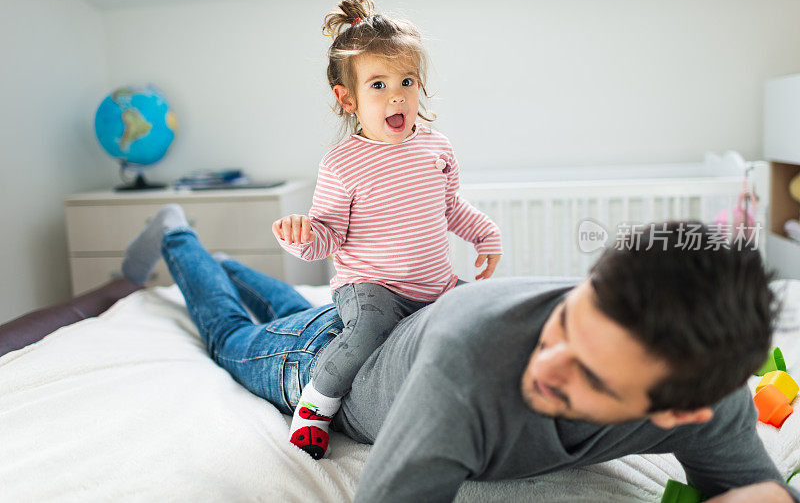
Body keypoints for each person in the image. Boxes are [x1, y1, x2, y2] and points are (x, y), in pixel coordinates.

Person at [120, 206, 799, 503]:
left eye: (586, 376)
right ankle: (183, 240)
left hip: (371, 330)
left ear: (681, 412)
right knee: (234, 338)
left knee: (301, 314)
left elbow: (756, 490)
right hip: (323, 366)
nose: (546, 361)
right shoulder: (472, 363)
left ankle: (232, 264)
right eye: (567, 322)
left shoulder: (713, 393)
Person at [270, 0, 503, 459]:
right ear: (347, 98)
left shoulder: (436, 148)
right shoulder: (343, 164)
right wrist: (301, 237)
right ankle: (316, 407)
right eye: (378, 84)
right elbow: (328, 234)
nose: (397, 95)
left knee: (482, 316)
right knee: (368, 330)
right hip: (371, 286)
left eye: (407, 81)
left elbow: (450, 206)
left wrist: (485, 235)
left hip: (434, 284)